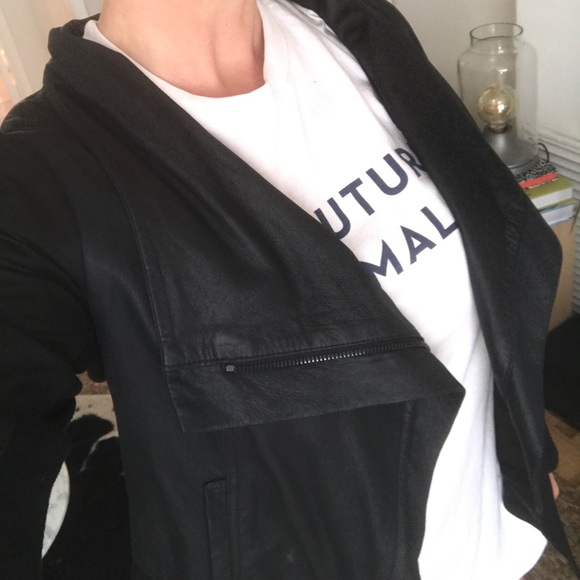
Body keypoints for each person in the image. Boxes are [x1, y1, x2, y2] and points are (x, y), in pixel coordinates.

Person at [0, 0, 576, 578]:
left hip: (502, 541)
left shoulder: (358, 22)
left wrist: (528, 447)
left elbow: (489, 267)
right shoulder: (36, 181)